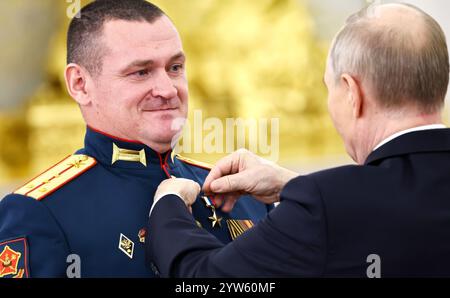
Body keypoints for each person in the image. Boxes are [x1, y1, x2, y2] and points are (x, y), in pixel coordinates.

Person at [146, 3, 450, 277]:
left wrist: (168, 204)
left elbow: (204, 280)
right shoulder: (331, 201)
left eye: (327, 88)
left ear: (352, 94)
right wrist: (293, 187)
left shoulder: (324, 205)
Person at [0, 0, 270, 278]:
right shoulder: (41, 212)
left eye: (175, 67)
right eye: (141, 72)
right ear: (80, 84)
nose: (168, 89)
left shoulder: (242, 196)